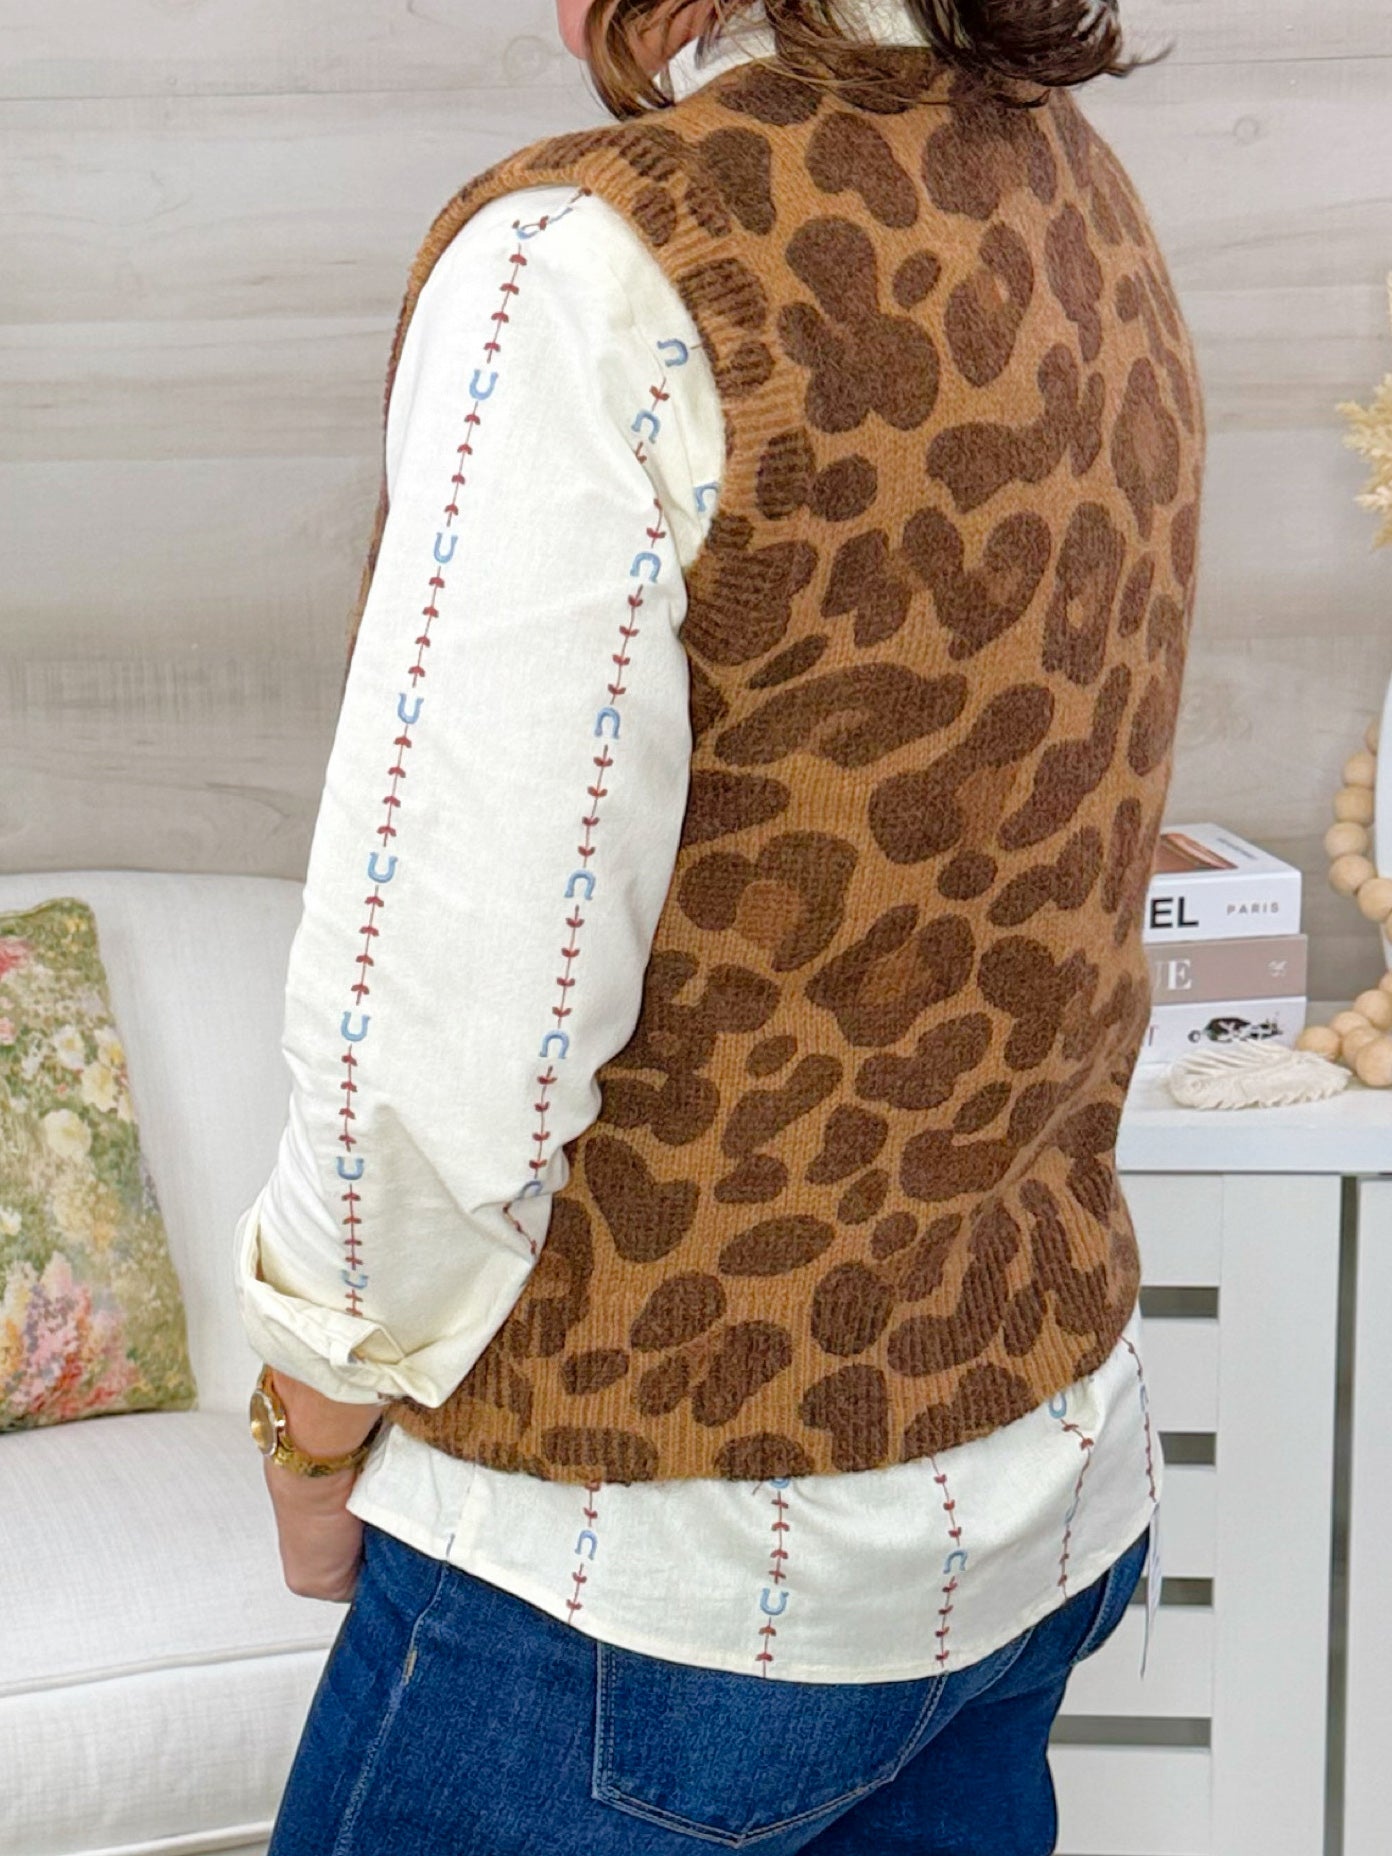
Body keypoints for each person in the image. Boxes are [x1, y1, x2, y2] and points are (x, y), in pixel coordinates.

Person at [235, 1, 1205, 1849]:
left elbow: (450, 1017)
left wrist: (315, 1409)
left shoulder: (586, 266)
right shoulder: (1077, 190)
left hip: (635, 1574)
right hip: (1033, 1496)